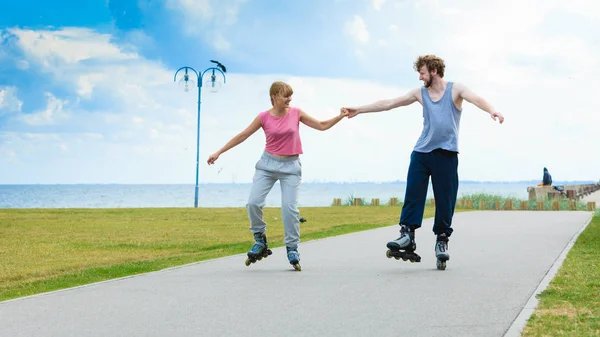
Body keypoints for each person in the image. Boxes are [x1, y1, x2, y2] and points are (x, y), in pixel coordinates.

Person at [341, 55, 504, 270]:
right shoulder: (420, 93)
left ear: (434, 71)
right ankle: (407, 235)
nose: (420, 77)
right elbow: (390, 103)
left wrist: (492, 110)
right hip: (421, 152)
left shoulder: (456, 90)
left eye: (423, 72)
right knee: (413, 193)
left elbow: (476, 98)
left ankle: (442, 240)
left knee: (445, 199)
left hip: (446, 154)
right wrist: (359, 109)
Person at [207, 81, 348, 271]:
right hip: (267, 165)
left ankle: (292, 248)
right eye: (285, 95)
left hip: (290, 166)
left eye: (291, 95)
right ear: (274, 96)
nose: (289, 99)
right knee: (253, 203)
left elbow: (321, 125)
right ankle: (260, 240)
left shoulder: (296, 113)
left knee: (289, 209)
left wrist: (340, 116)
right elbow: (243, 135)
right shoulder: (263, 117)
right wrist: (219, 152)